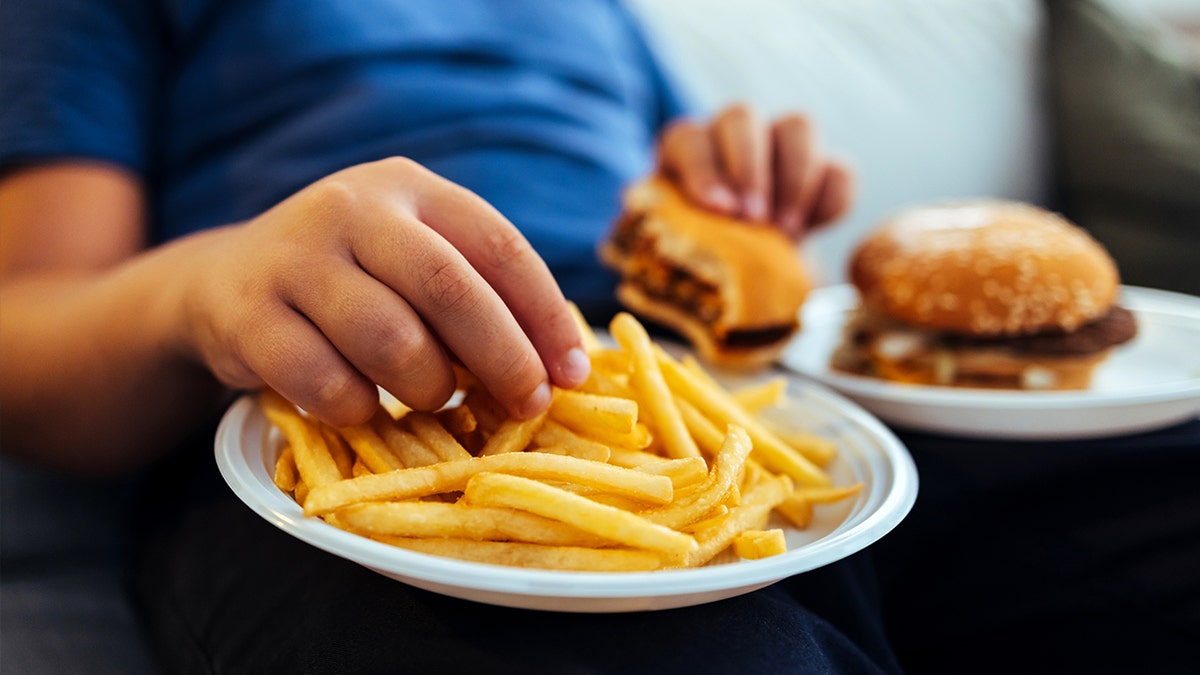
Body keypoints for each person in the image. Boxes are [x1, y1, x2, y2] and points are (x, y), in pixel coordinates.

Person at [1, 1, 890, 673]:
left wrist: (743, 209)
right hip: (330, 416)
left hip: (685, 401)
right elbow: (23, 330)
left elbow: (693, 205)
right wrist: (203, 285)